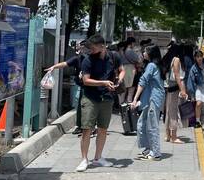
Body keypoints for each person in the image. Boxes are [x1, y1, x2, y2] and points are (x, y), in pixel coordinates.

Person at [76, 34, 125, 172]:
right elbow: (86, 80)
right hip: (90, 97)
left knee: (103, 129)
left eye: (92, 47)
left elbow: (122, 70)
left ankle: (98, 158)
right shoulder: (88, 60)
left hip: (107, 97)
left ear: (102, 46)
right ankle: (84, 159)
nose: (90, 49)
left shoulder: (114, 56)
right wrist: (103, 82)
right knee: (87, 129)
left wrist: (119, 80)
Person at [46, 40, 89, 135]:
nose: (83, 49)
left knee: (89, 107)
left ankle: (90, 126)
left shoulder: (94, 59)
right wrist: (54, 67)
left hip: (93, 87)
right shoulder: (77, 59)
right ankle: (80, 126)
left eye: (85, 47)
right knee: (79, 105)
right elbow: (65, 63)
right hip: (82, 86)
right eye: (81, 47)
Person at [131, 45, 166, 161]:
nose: (143, 53)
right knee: (142, 123)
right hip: (149, 98)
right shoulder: (152, 65)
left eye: (145, 51)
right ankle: (147, 149)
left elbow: (143, 81)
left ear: (151, 53)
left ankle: (155, 153)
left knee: (152, 125)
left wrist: (135, 98)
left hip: (153, 99)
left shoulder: (151, 65)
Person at [163, 42, 188, 143]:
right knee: (173, 111)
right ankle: (174, 136)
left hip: (169, 87)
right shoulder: (176, 59)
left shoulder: (170, 59)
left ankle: (168, 135)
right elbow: (178, 76)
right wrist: (182, 90)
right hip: (175, 87)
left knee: (169, 111)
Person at [187, 49, 204, 130]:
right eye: (197, 57)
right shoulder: (193, 68)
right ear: (195, 58)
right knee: (199, 103)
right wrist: (192, 94)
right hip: (199, 87)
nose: (199, 58)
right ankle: (197, 121)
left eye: (201, 56)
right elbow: (191, 81)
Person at [120, 37, 142, 104]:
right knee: (131, 90)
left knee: (124, 89)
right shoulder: (130, 51)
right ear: (132, 43)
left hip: (124, 69)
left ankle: (122, 106)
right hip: (130, 70)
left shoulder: (122, 50)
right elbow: (139, 60)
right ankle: (128, 107)